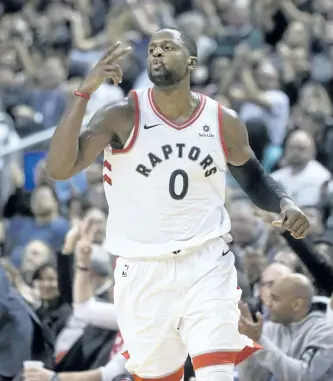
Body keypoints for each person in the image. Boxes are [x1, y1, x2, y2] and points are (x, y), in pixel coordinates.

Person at [46, 28, 309, 381]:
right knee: (157, 376)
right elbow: (59, 168)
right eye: (153, 48)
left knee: (216, 371)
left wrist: (285, 203)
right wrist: (83, 93)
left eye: (168, 47)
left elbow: (254, 178)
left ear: (191, 62)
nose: (156, 53)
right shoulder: (121, 115)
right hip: (141, 266)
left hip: (206, 260)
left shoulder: (222, 120)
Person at [237, 274, 333, 381]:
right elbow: (254, 378)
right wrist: (248, 342)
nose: (268, 304)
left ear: (297, 305)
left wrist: (259, 340)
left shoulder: (325, 332)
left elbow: (304, 376)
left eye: (275, 299)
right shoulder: (271, 328)